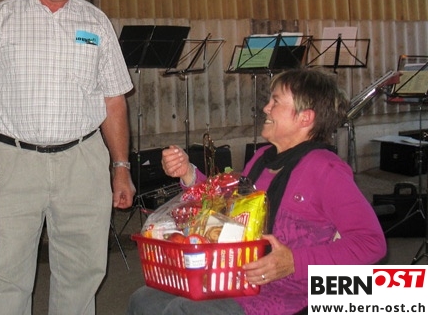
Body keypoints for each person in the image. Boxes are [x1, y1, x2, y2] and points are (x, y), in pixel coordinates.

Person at [0, 0, 136, 315]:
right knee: (5, 272)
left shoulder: (97, 24)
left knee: (82, 271)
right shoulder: (0, 19)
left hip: (82, 163)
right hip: (11, 163)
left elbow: (114, 102)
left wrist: (121, 168)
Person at [127, 68, 387, 315]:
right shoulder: (263, 158)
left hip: (289, 292)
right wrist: (187, 172)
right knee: (144, 299)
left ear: (305, 118)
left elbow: (371, 243)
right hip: (235, 275)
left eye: (276, 102)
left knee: (183, 311)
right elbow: (225, 207)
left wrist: (294, 261)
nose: (266, 108)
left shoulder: (326, 170)